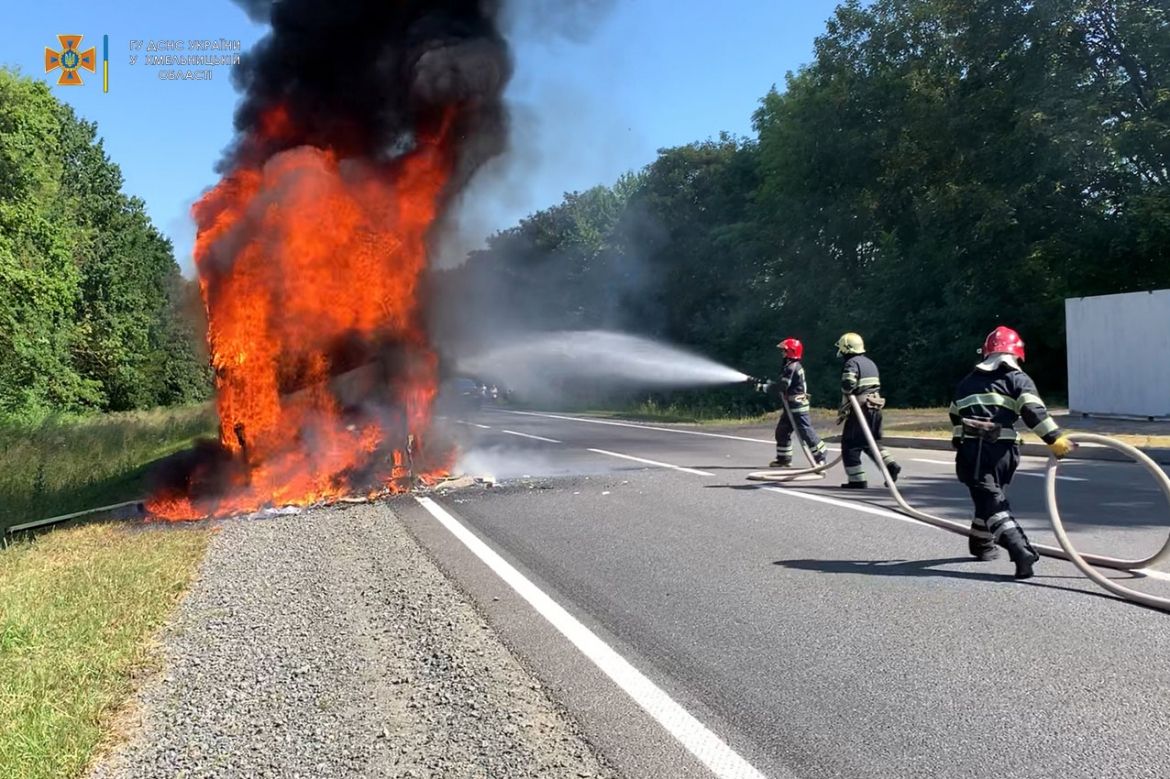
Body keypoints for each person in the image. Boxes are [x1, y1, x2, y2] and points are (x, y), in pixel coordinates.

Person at [949, 326, 1075, 579]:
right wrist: (1055, 439)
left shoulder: (966, 383)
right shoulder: (1019, 380)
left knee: (993, 503)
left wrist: (960, 443)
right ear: (1016, 354)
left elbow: (955, 415)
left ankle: (1020, 549)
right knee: (989, 498)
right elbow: (1033, 412)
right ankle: (982, 544)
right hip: (1005, 455)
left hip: (974, 452)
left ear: (987, 354)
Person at [835, 332, 901, 489]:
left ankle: (857, 480)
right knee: (869, 442)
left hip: (861, 409)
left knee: (850, 444)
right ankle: (890, 464)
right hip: (875, 408)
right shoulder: (870, 363)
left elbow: (848, 385)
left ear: (846, 348)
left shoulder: (851, 363)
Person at [764, 338, 828, 468]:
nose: (782, 353)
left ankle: (821, 456)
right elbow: (782, 384)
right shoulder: (790, 366)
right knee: (782, 431)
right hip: (790, 406)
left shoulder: (792, 367)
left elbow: (782, 386)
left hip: (797, 406)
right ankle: (784, 459)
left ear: (791, 352)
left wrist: (765, 388)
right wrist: (769, 384)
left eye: (784, 351)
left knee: (805, 432)